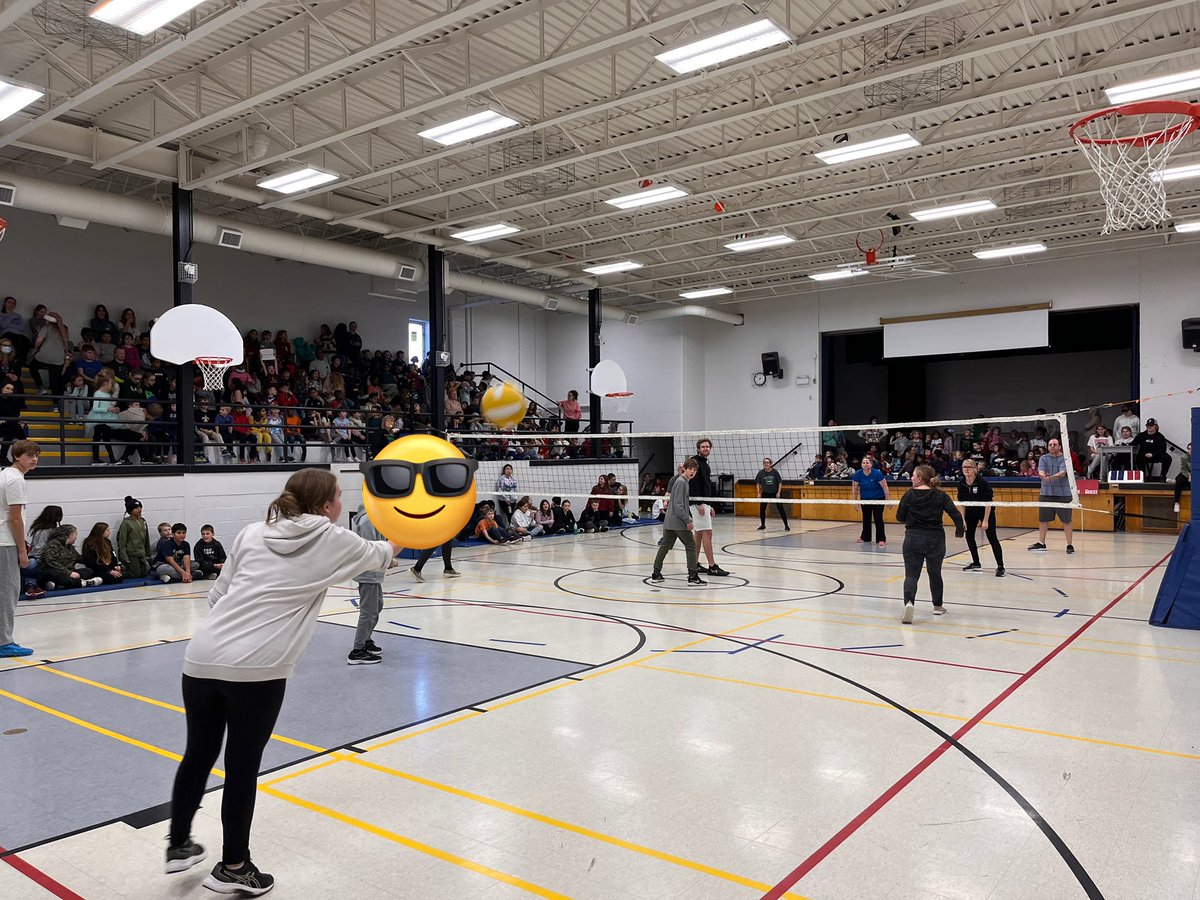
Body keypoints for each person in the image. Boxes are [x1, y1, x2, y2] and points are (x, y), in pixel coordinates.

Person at [167, 469, 397, 891]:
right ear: (326, 504)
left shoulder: (253, 532)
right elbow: (384, 552)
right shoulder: (332, 537)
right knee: (241, 767)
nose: (342, 503)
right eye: (339, 497)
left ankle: (178, 844)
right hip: (257, 668)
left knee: (198, 752)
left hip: (200, 657)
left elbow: (217, 594)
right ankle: (235, 868)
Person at [895, 464, 965, 623]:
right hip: (935, 539)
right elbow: (956, 515)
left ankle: (909, 604)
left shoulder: (909, 495)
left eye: (913, 475)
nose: (911, 477)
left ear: (919, 478)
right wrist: (959, 531)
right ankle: (938, 606)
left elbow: (899, 517)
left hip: (913, 537)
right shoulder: (940, 495)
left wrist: (912, 520)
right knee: (935, 573)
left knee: (911, 574)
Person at [0, 441, 39, 656]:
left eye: (36, 456)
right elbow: (15, 518)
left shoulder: (4, 474)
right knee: (7, 592)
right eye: (29, 455)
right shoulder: (15, 480)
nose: (34, 459)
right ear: (16, 456)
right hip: (6, 542)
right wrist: (23, 551)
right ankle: (3, 643)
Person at [348, 504, 399, 664]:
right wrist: (387, 561)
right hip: (368, 573)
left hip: (373, 573)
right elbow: (371, 550)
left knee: (377, 606)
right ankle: (357, 650)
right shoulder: (367, 521)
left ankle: (366, 639)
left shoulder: (375, 518)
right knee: (368, 611)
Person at [651, 457, 705, 585]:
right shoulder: (682, 482)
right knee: (691, 545)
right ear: (684, 469)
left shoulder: (683, 481)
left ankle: (656, 573)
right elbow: (678, 505)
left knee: (665, 546)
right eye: (690, 469)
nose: (692, 472)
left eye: (694, 470)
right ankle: (692, 576)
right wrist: (688, 520)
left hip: (670, 521)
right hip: (678, 522)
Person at [689, 437, 729, 577]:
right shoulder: (695, 462)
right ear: (698, 449)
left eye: (707, 446)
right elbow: (692, 484)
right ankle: (712, 566)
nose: (706, 448)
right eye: (703, 446)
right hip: (697, 503)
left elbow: (706, 486)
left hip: (704, 503)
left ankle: (694, 564)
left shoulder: (705, 464)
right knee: (707, 533)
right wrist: (699, 503)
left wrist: (710, 505)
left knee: (699, 535)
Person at [957, 459, 1004, 577]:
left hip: (985, 511)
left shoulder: (982, 482)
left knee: (992, 538)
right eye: (964, 467)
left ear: (975, 469)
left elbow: (988, 502)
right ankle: (976, 563)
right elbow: (962, 503)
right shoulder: (961, 483)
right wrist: (962, 520)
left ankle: (1000, 567)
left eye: (969, 467)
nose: (967, 469)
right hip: (970, 512)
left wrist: (985, 521)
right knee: (969, 536)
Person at [1029, 437, 1074, 553]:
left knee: (1066, 521)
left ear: (1059, 446)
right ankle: (1041, 543)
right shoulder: (1043, 458)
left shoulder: (1065, 458)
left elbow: (1062, 473)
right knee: (1043, 520)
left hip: (1063, 494)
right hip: (1046, 493)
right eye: (1050, 445)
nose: (1052, 446)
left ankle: (1069, 545)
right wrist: (1044, 476)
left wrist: (1050, 478)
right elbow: (1041, 472)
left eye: (1054, 444)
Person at [851, 454, 889, 546]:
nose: (865, 464)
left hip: (878, 499)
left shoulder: (877, 473)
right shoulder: (857, 474)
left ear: (871, 464)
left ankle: (881, 538)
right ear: (861, 464)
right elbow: (854, 488)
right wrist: (855, 502)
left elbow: (885, 487)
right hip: (865, 499)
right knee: (866, 518)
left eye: (867, 462)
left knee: (878, 518)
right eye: (863, 463)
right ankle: (865, 537)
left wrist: (888, 500)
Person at [118, 496, 152, 578]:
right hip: (132, 553)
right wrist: (124, 556)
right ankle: (120, 571)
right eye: (136, 508)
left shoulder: (143, 521)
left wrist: (148, 552)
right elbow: (122, 541)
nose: (139, 509)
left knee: (144, 573)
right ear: (130, 510)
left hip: (141, 552)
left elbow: (146, 538)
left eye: (140, 507)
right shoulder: (126, 523)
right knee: (135, 574)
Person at [754, 457, 790, 532]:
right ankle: (763, 525)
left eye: (767, 462)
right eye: (765, 463)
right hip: (765, 493)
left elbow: (780, 482)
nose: (766, 464)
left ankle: (786, 526)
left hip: (775, 493)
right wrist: (758, 493)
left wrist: (778, 492)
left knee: (781, 509)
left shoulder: (775, 472)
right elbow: (757, 484)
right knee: (762, 509)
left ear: (770, 464)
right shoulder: (761, 473)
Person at [1175, 442, 1191, 514]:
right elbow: (1183, 469)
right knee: (1179, 480)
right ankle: (1176, 503)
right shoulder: (1184, 456)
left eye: (1192, 449)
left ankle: (1173, 481)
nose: (1190, 450)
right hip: (1186, 473)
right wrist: (1189, 475)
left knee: (1189, 486)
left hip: (1195, 474)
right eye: (1188, 449)